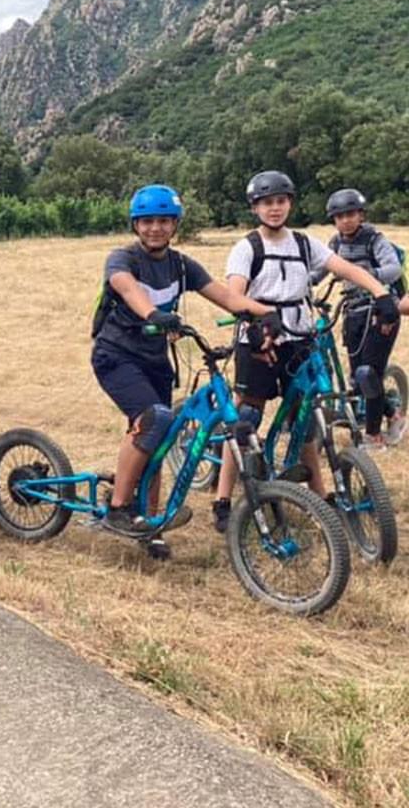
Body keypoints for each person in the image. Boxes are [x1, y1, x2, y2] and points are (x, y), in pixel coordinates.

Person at [92, 184, 280, 559]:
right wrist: (154, 314)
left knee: (161, 442)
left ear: (175, 224)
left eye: (163, 221)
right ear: (135, 225)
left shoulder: (181, 265)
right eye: (147, 222)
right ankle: (118, 508)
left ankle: (151, 525)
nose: (155, 228)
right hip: (116, 355)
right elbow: (127, 289)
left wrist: (264, 313)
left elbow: (225, 295)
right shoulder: (122, 259)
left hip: (155, 359)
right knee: (152, 419)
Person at [211, 172, 399, 531]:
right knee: (246, 417)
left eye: (281, 201)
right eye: (267, 202)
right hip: (261, 340)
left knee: (304, 416)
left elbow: (343, 268)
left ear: (290, 203)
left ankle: (320, 494)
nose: (275, 208)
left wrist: (381, 293)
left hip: (299, 338)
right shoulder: (247, 247)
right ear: (255, 208)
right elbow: (234, 294)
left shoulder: (303, 243)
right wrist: (258, 318)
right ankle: (222, 499)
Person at [319, 188, 405, 450]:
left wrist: (367, 273)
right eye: (339, 216)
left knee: (369, 373)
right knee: (358, 378)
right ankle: (395, 414)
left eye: (351, 214)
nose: (346, 220)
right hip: (353, 313)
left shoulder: (374, 239)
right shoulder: (335, 243)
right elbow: (321, 269)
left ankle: (373, 436)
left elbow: (393, 269)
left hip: (380, 312)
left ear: (361, 214)